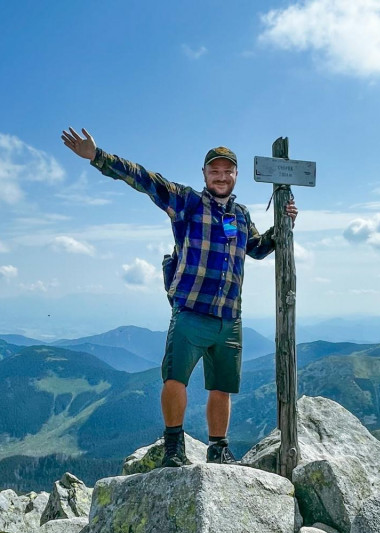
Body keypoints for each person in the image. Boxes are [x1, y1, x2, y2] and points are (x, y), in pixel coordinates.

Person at [61, 127, 298, 468]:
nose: (221, 176)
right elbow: (144, 179)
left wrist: (282, 226)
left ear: (235, 175)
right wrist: (98, 156)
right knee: (175, 379)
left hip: (229, 317)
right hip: (190, 311)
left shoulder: (240, 215)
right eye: (214, 171)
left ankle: (218, 448)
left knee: (221, 387)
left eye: (227, 171)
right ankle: (174, 446)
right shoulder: (187, 202)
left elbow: (257, 250)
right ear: (204, 174)